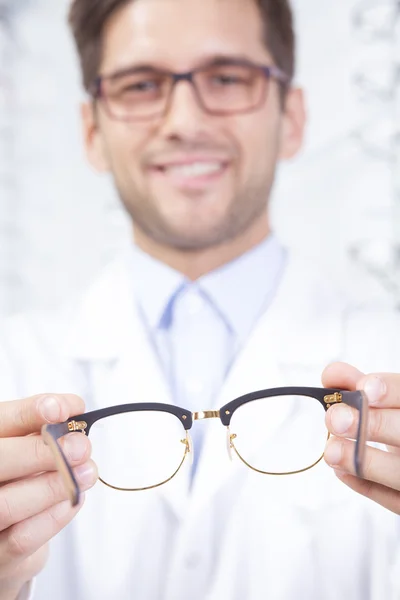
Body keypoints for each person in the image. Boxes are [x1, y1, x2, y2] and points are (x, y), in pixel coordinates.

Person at [0, 0, 399, 598]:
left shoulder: (387, 356)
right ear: (92, 132)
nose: (184, 119)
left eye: (228, 78)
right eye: (141, 85)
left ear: (292, 117)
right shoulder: (12, 363)